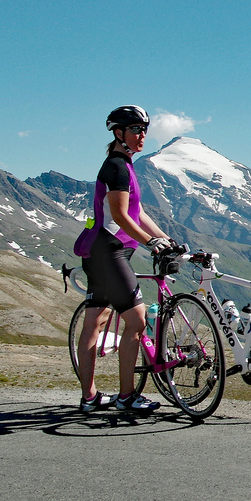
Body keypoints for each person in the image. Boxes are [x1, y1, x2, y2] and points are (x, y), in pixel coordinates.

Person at [75, 106, 179, 414]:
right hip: (110, 252)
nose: (142, 135)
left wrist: (165, 239)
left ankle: (90, 398)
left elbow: (138, 213)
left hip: (100, 252)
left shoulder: (125, 166)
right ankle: (127, 396)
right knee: (135, 320)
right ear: (119, 133)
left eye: (144, 130)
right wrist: (150, 243)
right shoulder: (117, 168)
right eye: (135, 129)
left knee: (95, 321)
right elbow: (120, 215)